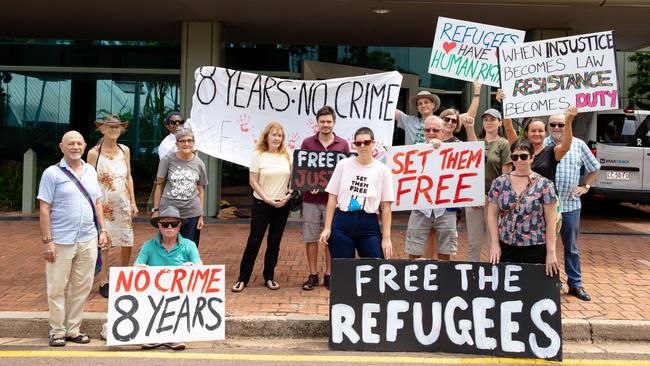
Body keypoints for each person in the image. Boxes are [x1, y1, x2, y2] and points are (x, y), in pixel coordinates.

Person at [37, 130, 108, 347]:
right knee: (57, 287)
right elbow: (44, 208)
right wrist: (48, 241)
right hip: (61, 240)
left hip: (88, 237)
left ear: (85, 146)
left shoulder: (90, 171)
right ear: (62, 147)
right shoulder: (52, 173)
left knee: (82, 286)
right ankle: (57, 330)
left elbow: (97, 202)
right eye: (71, 143)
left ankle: (73, 329)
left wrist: (103, 230)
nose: (75, 147)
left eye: (79, 143)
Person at [544, 113, 601, 301]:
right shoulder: (542, 144)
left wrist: (586, 186)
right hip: (545, 207)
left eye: (561, 124)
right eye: (553, 124)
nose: (557, 128)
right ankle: (550, 283)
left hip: (570, 205)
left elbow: (595, 167)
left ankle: (575, 285)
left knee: (571, 247)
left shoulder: (578, 144)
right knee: (545, 247)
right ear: (548, 125)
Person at [232, 122, 292, 293]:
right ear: (266, 136)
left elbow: (294, 180)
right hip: (262, 204)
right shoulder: (258, 155)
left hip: (282, 205)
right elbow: (253, 181)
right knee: (254, 241)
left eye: (280, 135)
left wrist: (288, 195)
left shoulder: (287, 155)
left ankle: (269, 277)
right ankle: (242, 278)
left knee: (274, 243)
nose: (277, 138)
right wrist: (267, 199)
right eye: (273, 134)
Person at [319, 127, 395, 260]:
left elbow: (386, 207)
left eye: (366, 142)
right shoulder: (343, 165)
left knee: (375, 266)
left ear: (373, 143)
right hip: (342, 222)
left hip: (369, 224)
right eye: (358, 143)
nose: (362, 146)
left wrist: (386, 238)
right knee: (343, 267)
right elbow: (332, 199)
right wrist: (327, 227)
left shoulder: (383, 170)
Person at [487, 138, 560, 277]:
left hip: (535, 246)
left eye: (524, 156)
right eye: (515, 156)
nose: (519, 160)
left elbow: (551, 221)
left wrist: (551, 253)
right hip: (506, 245)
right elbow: (491, 215)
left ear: (532, 157)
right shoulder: (500, 182)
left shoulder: (545, 185)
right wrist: (494, 243)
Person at [135, 205, 202, 351]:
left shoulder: (189, 245)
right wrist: (140, 269)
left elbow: (200, 268)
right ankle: (154, 334)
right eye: (165, 224)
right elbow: (136, 266)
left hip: (180, 294)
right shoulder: (148, 246)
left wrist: (193, 268)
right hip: (154, 294)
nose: (169, 227)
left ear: (179, 227)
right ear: (159, 226)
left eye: (174, 224)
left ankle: (172, 335)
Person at [300, 106, 350, 291]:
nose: (326, 124)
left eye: (329, 121)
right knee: (311, 238)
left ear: (334, 123)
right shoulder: (307, 143)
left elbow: (346, 173)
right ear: (317, 123)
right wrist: (307, 183)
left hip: (333, 201)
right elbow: (302, 170)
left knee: (331, 238)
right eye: (322, 121)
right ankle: (313, 274)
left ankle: (329, 274)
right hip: (311, 200)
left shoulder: (343, 145)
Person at [87, 114, 137, 299]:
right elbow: (89, 179)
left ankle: (125, 275)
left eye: (117, 127)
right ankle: (104, 279)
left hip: (122, 202)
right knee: (105, 242)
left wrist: (132, 201)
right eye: (110, 127)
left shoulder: (125, 150)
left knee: (126, 239)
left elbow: (128, 176)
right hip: (103, 203)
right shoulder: (94, 153)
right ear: (102, 129)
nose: (114, 130)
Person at [404, 116, 459, 260]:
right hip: (420, 208)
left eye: (435, 130)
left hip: (445, 209)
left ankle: (444, 279)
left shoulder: (455, 151)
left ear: (442, 132)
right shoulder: (414, 150)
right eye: (428, 129)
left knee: (446, 252)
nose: (431, 132)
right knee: (413, 250)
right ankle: (413, 279)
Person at [465, 108, 512, 262]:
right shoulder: (478, 142)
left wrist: (489, 196)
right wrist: (476, 195)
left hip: (493, 200)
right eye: (486, 119)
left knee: (494, 241)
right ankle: (472, 275)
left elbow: (506, 176)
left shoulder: (504, 144)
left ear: (499, 122)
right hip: (473, 198)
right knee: (473, 241)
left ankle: (495, 275)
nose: (489, 122)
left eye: (493, 119)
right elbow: (469, 166)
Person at [152, 128, 207, 247]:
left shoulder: (199, 163)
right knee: (167, 246)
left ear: (194, 143)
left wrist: (200, 215)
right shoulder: (167, 160)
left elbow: (201, 191)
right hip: (169, 212)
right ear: (177, 144)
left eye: (189, 140)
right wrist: (156, 210)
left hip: (192, 212)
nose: (186, 144)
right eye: (182, 141)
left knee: (189, 247)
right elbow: (159, 186)